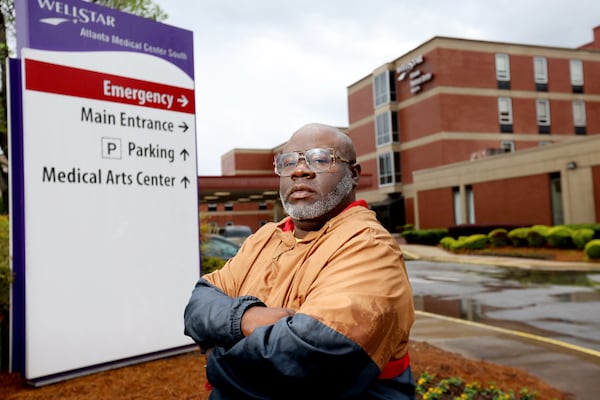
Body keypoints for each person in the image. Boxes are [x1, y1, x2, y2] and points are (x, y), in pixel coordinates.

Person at [184, 123, 415, 399]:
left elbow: (307, 359)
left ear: (353, 174)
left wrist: (216, 359)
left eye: (320, 159)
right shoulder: (265, 238)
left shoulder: (369, 246)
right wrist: (245, 319)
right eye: (287, 162)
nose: (299, 170)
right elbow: (198, 305)